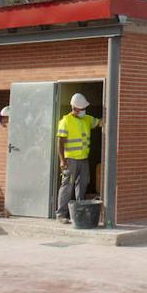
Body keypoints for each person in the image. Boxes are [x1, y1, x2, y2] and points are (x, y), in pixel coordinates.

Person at [54, 93, 101, 224]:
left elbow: (100, 122)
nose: (83, 111)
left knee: (83, 185)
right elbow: (60, 142)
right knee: (67, 186)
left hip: (84, 159)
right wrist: (62, 160)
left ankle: (79, 212)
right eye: (81, 109)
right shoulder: (65, 121)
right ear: (74, 108)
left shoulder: (87, 119)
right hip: (70, 160)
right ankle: (61, 214)